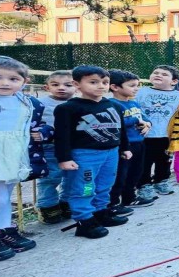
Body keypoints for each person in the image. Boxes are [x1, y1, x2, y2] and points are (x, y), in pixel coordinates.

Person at [54, 65, 132, 239]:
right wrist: (64, 158)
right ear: (77, 84)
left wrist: (125, 148)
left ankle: (100, 212)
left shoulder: (114, 106)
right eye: (93, 82)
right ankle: (84, 220)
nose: (101, 86)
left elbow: (122, 130)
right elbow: (62, 136)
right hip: (85, 155)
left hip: (111, 154)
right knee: (85, 187)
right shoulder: (68, 108)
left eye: (105, 82)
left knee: (105, 184)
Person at [0, 56, 38, 262]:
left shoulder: (22, 100)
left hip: (12, 152)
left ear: (24, 81)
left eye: (13, 79)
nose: (5, 83)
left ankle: (2, 229)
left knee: (4, 196)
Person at [136, 65, 179, 197]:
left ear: (174, 81)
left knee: (164, 160)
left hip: (168, 136)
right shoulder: (141, 92)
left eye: (164, 74)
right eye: (156, 72)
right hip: (145, 136)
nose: (158, 75)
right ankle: (144, 185)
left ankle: (161, 181)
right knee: (145, 162)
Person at [108, 70, 156, 211]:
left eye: (137, 85)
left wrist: (147, 124)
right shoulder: (111, 104)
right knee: (120, 175)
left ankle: (130, 198)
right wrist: (135, 120)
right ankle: (114, 203)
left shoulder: (134, 104)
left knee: (136, 172)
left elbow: (145, 118)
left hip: (139, 143)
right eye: (132, 85)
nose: (136, 88)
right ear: (115, 87)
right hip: (124, 145)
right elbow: (117, 122)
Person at [35, 70, 75, 223]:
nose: (61, 88)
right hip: (50, 147)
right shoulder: (40, 104)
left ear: (76, 86)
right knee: (51, 177)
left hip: (73, 147)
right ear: (47, 87)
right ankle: (48, 207)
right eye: (55, 84)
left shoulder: (78, 103)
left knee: (72, 176)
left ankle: (66, 203)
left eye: (67, 85)